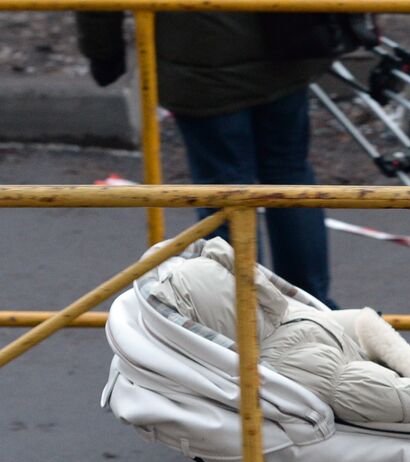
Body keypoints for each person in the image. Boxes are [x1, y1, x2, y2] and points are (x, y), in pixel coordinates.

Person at [75, 12, 336, 306]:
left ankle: (244, 315)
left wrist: (103, 52)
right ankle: (312, 307)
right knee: (290, 177)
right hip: (284, 48)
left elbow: (97, 8)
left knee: (224, 192)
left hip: (201, 69)